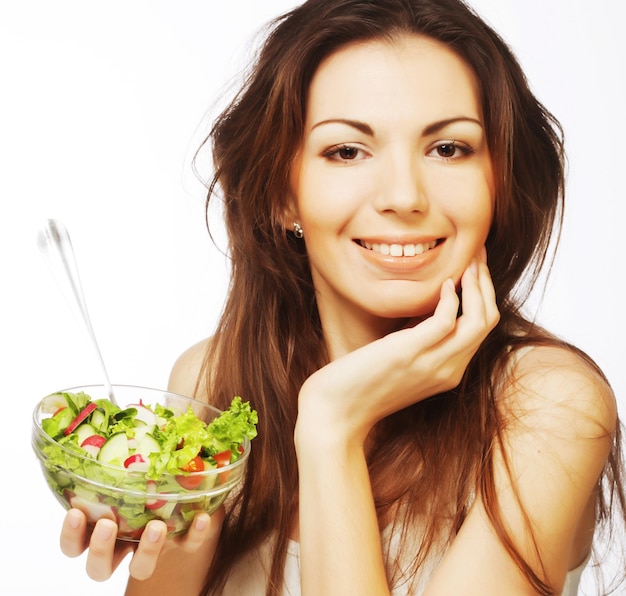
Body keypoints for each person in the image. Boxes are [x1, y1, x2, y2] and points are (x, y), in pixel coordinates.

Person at [59, 0, 626, 594]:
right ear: (283, 192)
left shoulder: (548, 405)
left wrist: (332, 424)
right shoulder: (212, 381)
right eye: (347, 151)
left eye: (449, 148)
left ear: (500, 182)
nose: (404, 196)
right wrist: (158, 535)